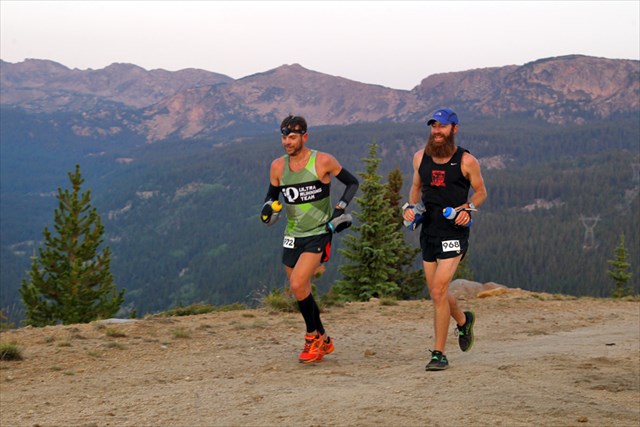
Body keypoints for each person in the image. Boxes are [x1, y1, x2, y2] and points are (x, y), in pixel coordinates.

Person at [261, 115, 359, 363]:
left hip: (319, 232)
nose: (287, 142)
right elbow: (271, 197)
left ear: (305, 136)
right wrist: (269, 210)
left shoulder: (323, 161)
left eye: (293, 137)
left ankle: (311, 338)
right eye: (284, 137)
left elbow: (352, 183)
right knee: (301, 289)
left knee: (297, 284)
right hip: (292, 235)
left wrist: (340, 208)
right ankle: (324, 339)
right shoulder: (277, 167)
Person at [403, 108, 487, 371]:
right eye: (434, 126)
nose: (437, 131)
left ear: (454, 129)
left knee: (439, 290)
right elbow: (416, 187)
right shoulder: (420, 157)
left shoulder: (467, 161)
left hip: (454, 233)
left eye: (442, 126)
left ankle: (439, 354)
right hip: (429, 231)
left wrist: (467, 209)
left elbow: (481, 192)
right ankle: (463, 321)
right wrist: (410, 209)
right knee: (436, 291)